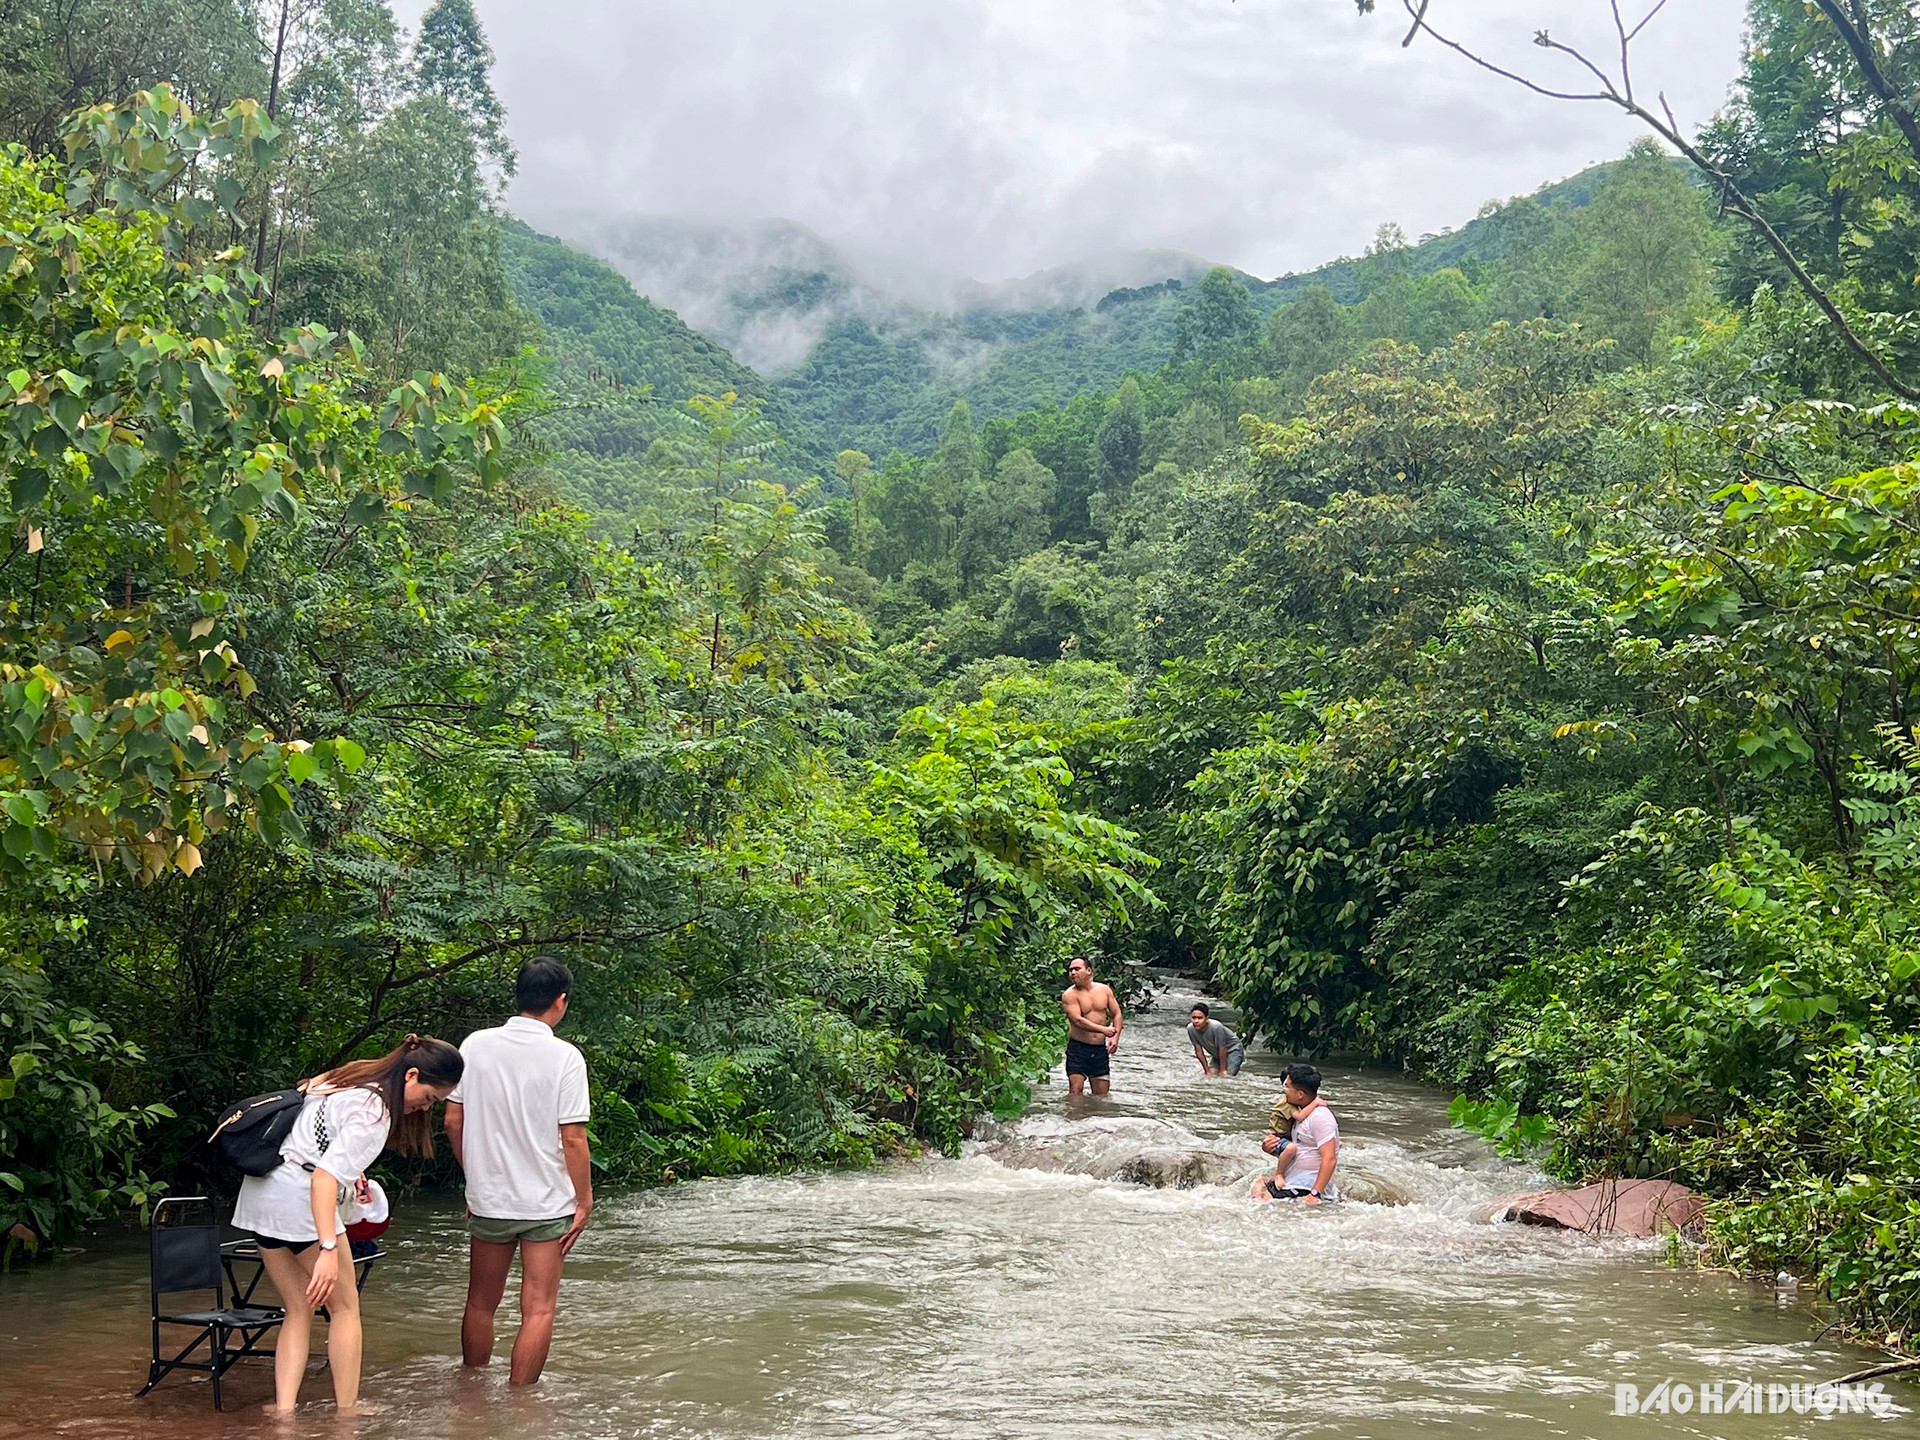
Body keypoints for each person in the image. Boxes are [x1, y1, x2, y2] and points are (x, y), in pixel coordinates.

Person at [231, 1035, 464, 1414]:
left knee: (297, 1307)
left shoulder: (351, 1078)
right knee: (345, 1309)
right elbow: (323, 1178)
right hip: (300, 1204)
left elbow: (306, 1094)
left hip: (262, 1196)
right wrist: (326, 1247)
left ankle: (284, 1412)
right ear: (412, 1075)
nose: (425, 1109)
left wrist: (349, 1170)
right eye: (430, 1098)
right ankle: (347, 1413)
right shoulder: (375, 1114)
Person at [445, 956, 594, 1387]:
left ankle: (471, 1393)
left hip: (489, 1198)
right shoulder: (565, 1057)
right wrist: (583, 1201)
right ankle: (519, 1409)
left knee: (480, 1304)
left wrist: (476, 1175)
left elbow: (454, 1121)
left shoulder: (475, 1045)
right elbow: (573, 1139)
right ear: (560, 1002)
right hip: (546, 1202)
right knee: (539, 1308)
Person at [1251, 1063, 1338, 1203]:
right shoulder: (1297, 1111)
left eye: (1287, 1086)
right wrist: (1269, 1147)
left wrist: (1315, 1194)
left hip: (1306, 1186)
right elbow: (1295, 1147)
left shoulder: (1320, 1117)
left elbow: (1330, 1158)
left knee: (1260, 1203)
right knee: (1257, 1185)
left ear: (1300, 1094)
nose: (1284, 1090)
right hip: (1293, 1180)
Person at [1060, 956, 1123, 1097]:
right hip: (1078, 1049)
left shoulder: (1104, 990)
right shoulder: (1069, 995)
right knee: (1075, 1093)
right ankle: (1074, 1118)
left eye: (1077, 969)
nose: (1073, 973)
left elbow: (1117, 1014)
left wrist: (1115, 1038)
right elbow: (1077, 1020)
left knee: (1101, 1098)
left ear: (1088, 970)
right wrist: (1103, 1030)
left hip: (1099, 1050)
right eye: (1070, 970)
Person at [1185, 1003, 1244, 1077]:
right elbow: (1198, 1051)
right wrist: (1207, 1071)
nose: (1196, 1021)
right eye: (1194, 1018)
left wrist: (1223, 1070)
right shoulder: (1191, 1029)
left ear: (1206, 1019)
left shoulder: (1216, 1027)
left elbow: (1223, 1048)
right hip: (1217, 1053)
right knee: (1211, 1075)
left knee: (1226, 1076)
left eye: (1200, 1018)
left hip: (1233, 1050)